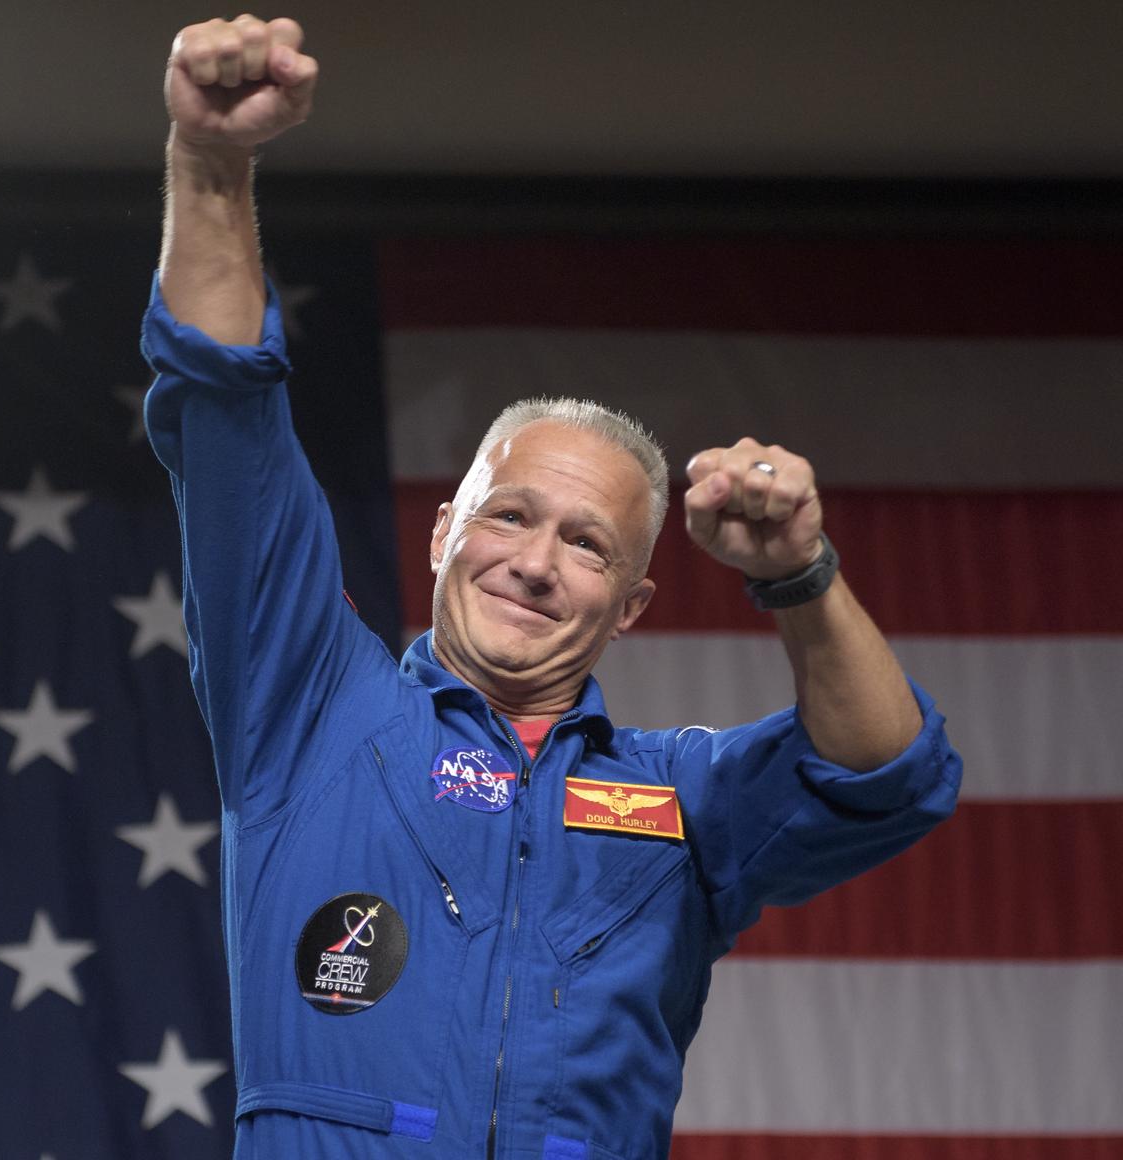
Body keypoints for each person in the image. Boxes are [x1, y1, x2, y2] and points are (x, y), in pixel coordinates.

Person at [143, 16, 961, 1160]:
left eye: (585, 544)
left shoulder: (678, 795)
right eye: (508, 516)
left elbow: (885, 773)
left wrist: (796, 574)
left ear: (630, 604)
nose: (532, 561)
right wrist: (211, 165)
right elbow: (227, 405)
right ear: (442, 534)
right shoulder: (311, 710)